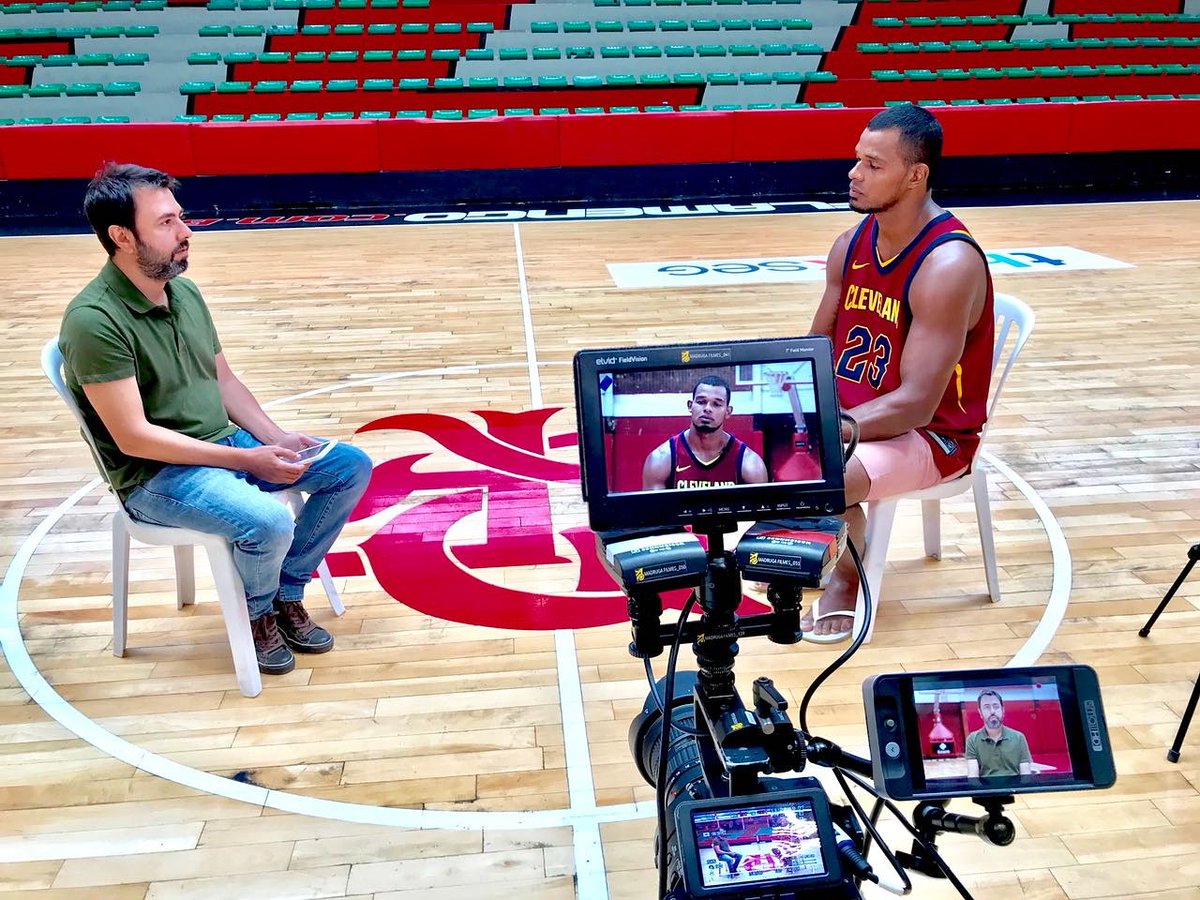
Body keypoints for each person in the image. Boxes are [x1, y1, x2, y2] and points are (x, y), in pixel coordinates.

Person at [59, 163, 373, 677]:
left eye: (180, 217)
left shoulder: (183, 293)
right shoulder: (93, 322)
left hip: (223, 442)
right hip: (156, 475)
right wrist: (246, 458)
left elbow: (224, 382)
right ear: (121, 237)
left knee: (349, 466)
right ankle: (257, 615)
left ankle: (285, 592)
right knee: (269, 520)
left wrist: (274, 438)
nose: (185, 232)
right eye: (165, 223)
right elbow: (133, 437)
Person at [803, 103, 995, 641]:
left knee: (820, 479)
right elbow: (815, 345)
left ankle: (847, 579)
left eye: (872, 164)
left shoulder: (947, 264)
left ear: (916, 176)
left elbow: (916, 403)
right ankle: (819, 544)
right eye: (856, 160)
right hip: (855, 417)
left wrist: (828, 431)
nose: (853, 174)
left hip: (934, 434)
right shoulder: (852, 242)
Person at [642, 375, 769, 490]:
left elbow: (758, 515)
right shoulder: (661, 459)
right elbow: (655, 514)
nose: (707, 409)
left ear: (728, 412)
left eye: (716, 404)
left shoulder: (750, 464)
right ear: (690, 406)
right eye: (701, 402)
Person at [964, 690, 1033, 777]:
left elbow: (1025, 776)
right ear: (980, 712)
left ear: (1003, 710)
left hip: (1014, 789)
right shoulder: (972, 739)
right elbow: (973, 778)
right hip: (987, 790)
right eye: (987, 707)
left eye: (996, 706)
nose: (992, 711)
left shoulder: (1019, 737)